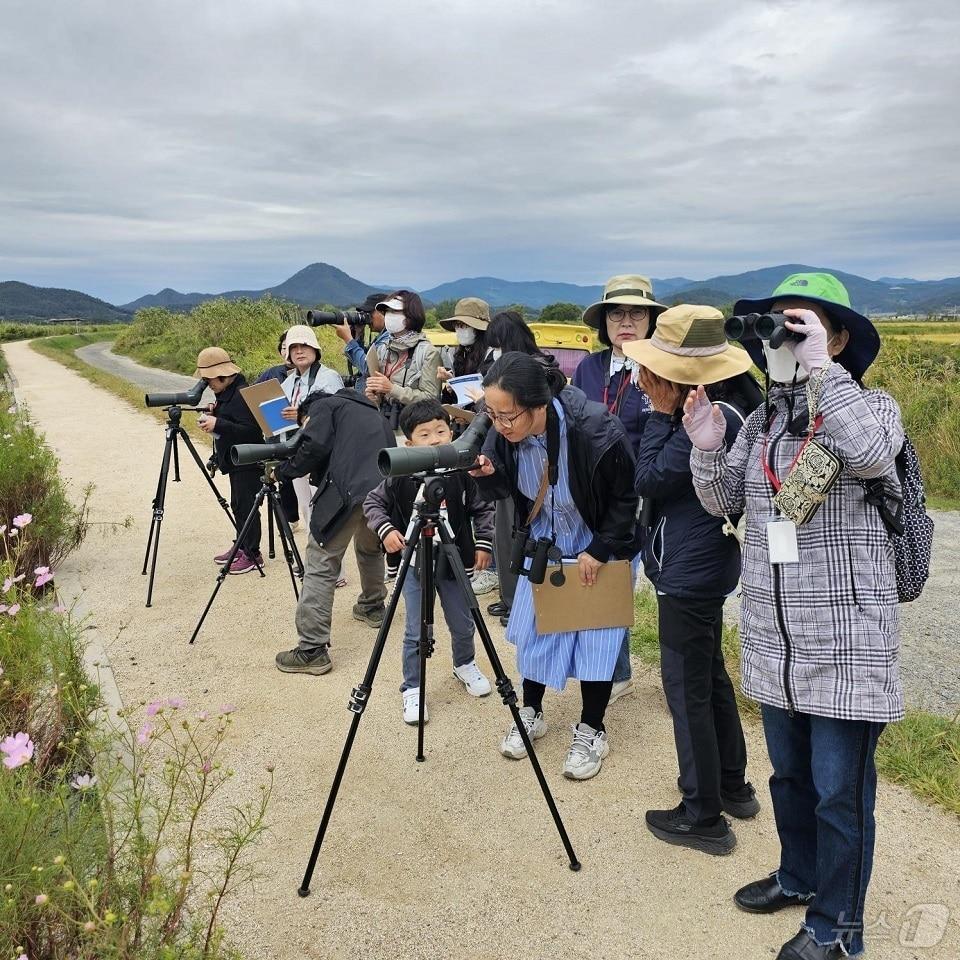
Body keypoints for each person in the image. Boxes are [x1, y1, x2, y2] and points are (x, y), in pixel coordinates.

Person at [684, 273, 903, 960]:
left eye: (798, 324)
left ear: (835, 339)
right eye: (774, 326)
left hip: (845, 641)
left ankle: (840, 926)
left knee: (840, 794)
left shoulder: (873, 406)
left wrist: (823, 373)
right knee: (789, 777)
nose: (779, 336)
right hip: (776, 640)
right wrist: (708, 442)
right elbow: (723, 502)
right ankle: (799, 875)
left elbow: (869, 453)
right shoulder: (766, 424)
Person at [622, 304, 760, 857]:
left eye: (655, 370)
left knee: (687, 690)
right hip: (705, 562)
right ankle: (733, 786)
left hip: (689, 569)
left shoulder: (707, 415)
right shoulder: (733, 399)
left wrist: (659, 414)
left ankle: (703, 814)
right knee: (710, 677)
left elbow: (650, 478)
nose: (645, 379)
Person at [470, 352, 640, 780]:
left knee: (596, 645)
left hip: (597, 547)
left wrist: (601, 549)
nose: (500, 425)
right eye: (492, 414)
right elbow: (505, 487)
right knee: (538, 635)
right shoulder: (503, 432)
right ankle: (531, 712)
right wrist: (486, 472)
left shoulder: (595, 429)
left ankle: (592, 730)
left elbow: (626, 497)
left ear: (540, 404)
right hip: (547, 545)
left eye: (508, 416)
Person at [363, 399, 495, 723]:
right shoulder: (400, 473)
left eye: (441, 430)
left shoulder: (461, 471)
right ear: (409, 443)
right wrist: (386, 530)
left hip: (453, 561)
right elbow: (373, 503)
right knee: (415, 629)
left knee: (463, 621)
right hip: (414, 562)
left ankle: (464, 663)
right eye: (425, 434)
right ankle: (412, 687)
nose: (436, 439)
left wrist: (483, 542)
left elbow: (483, 507)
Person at [575, 274, 668, 705]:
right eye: (616, 313)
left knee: (654, 580)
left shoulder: (664, 367)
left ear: (650, 320)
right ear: (604, 321)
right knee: (606, 578)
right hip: (596, 494)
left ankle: (663, 679)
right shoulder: (588, 368)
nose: (625, 321)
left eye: (636, 313)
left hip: (649, 492)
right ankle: (616, 671)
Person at [273, 386, 396, 675]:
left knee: (321, 560)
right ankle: (372, 605)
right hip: (382, 490)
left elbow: (314, 445)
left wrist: (283, 471)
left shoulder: (324, 406)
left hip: (349, 491)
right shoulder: (369, 411)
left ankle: (311, 649)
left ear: (307, 412)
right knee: (369, 548)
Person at [481, 311, 552, 625]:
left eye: (496, 344)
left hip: (532, 468)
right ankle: (512, 600)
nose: (493, 351)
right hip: (504, 458)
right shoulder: (501, 375)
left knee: (524, 532)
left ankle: (524, 602)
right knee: (506, 535)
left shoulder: (537, 371)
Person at [194, 347, 264, 575]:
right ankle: (242, 545)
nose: (208, 384)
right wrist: (216, 416)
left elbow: (252, 432)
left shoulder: (242, 395)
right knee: (238, 506)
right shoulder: (227, 394)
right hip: (236, 461)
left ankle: (253, 554)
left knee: (247, 507)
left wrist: (218, 424)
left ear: (223, 376)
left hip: (248, 461)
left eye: (209, 379)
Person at [280, 325, 345, 529]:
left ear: (315, 350)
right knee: (307, 510)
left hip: (322, 454)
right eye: (294, 347)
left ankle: (328, 560)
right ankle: (315, 557)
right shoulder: (288, 382)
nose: (299, 351)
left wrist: (300, 415)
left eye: (305, 346)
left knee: (325, 512)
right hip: (297, 452)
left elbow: (334, 416)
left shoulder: (329, 377)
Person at [364, 290, 441, 423]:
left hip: (414, 425)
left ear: (411, 316)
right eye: (387, 312)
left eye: (394, 312)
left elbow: (431, 399)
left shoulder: (427, 352)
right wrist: (374, 397)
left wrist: (393, 389)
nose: (388, 316)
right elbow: (382, 395)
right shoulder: (382, 349)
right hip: (385, 421)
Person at [255, 331, 301, 529]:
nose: (286, 351)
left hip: (298, 434)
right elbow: (255, 397)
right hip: (275, 432)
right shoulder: (271, 373)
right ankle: (289, 518)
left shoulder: (309, 375)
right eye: (284, 347)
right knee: (280, 476)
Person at [332, 292, 389, 395]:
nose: (367, 318)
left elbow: (368, 368)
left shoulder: (389, 338)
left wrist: (349, 340)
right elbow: (361, 361)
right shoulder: (381, 336)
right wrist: (358, 334)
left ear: (383, 313)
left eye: (369, 313)